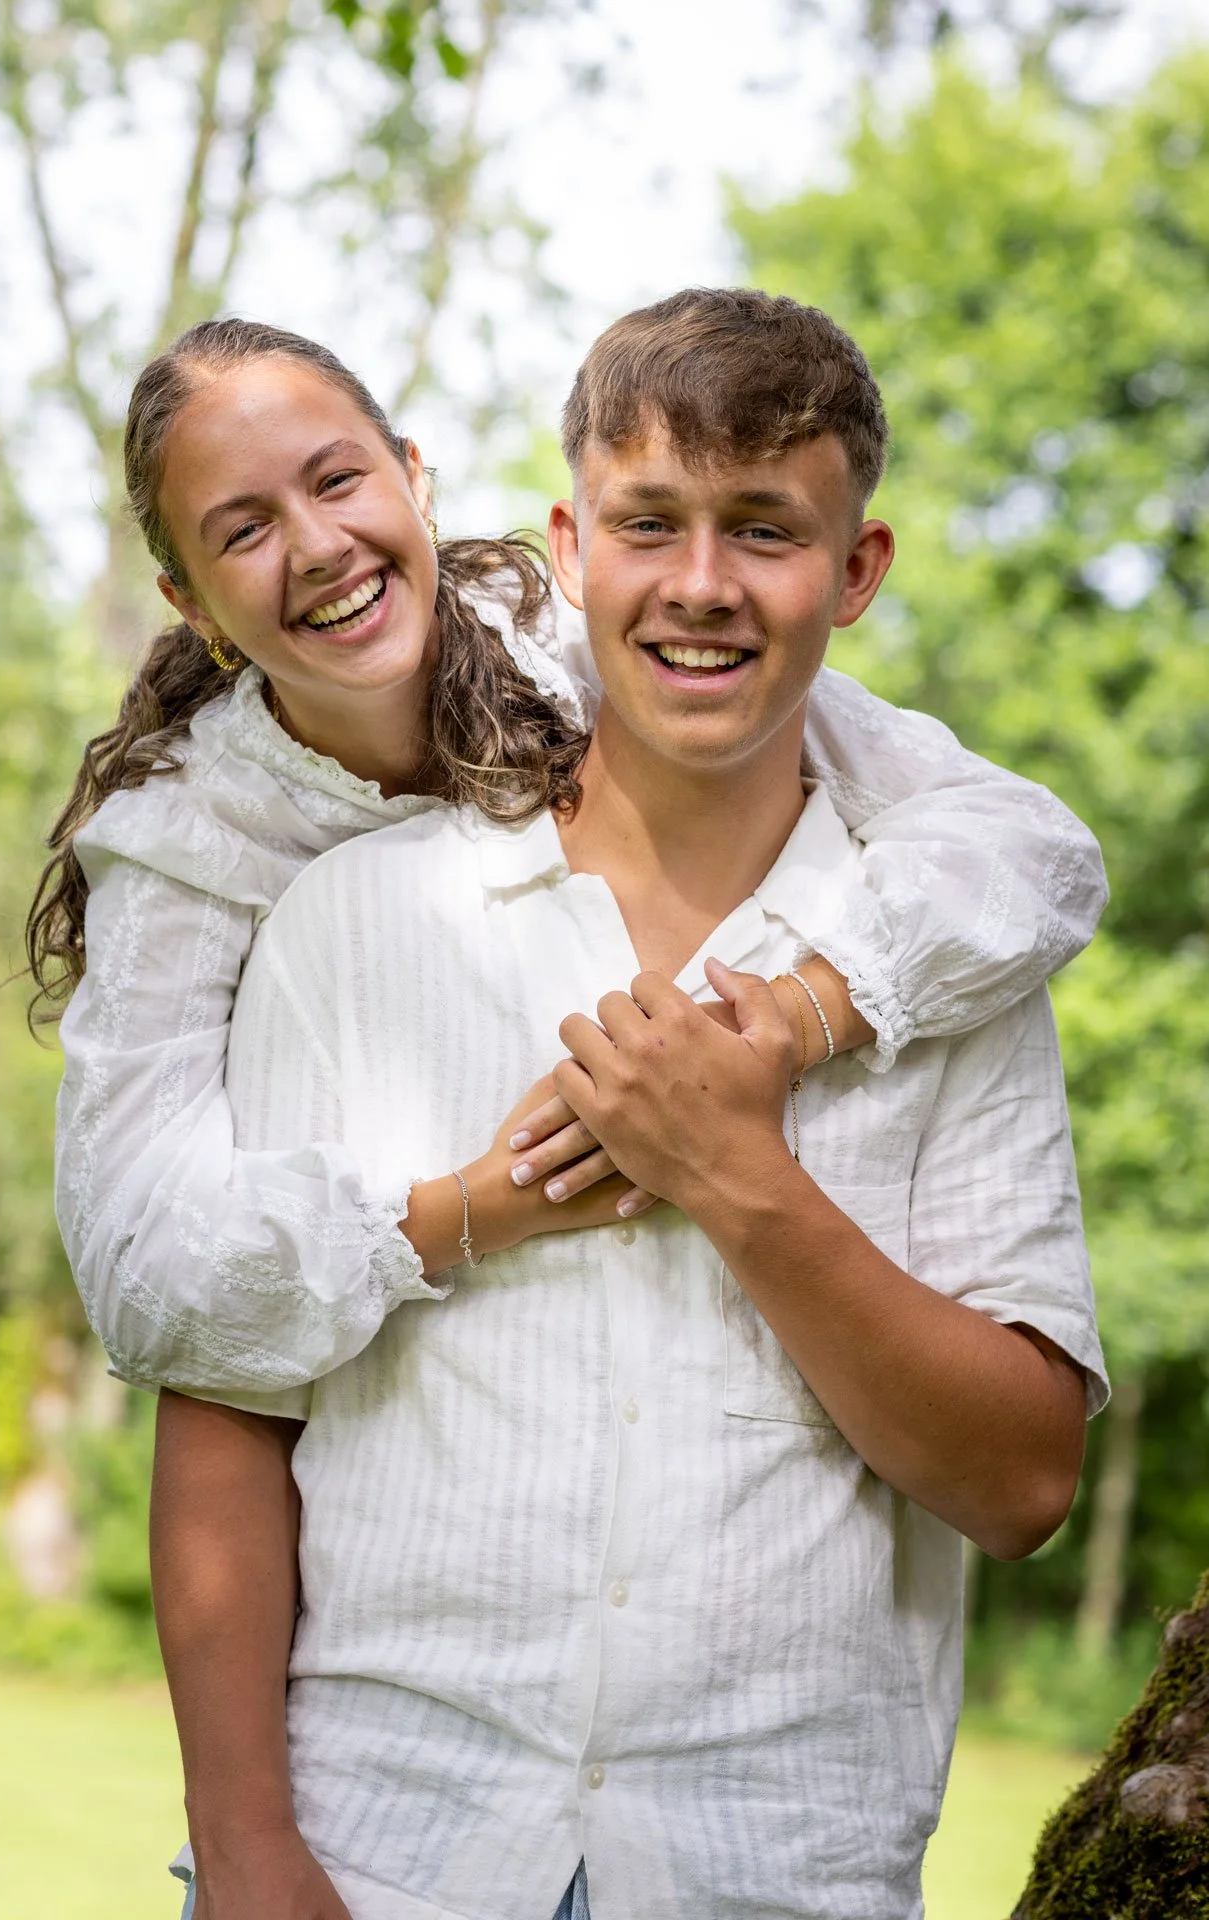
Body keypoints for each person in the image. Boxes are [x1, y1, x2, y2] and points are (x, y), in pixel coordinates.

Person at [138, 290, 1107, 1920]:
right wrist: (247, 1856)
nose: (704, 585)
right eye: (651, 523)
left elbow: (1020, 1488)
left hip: (772, 1875)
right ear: (569, 550)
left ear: (856, 573)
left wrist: (741, 1177)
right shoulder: (353, 926)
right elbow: (231, 1395)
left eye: (768, 530)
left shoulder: (955, 969)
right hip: (383, 1860)